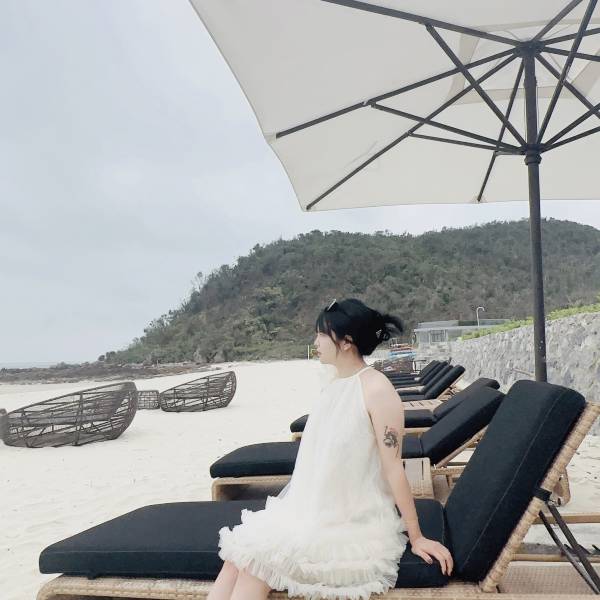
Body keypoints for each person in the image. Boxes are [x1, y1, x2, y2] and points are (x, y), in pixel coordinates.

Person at [208, 298, 453, 600]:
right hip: (315, 508)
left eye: (322, 335)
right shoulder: (336, 383)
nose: (316, 342)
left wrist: (416, 536)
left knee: (254, 566)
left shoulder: (376, 390)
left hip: (354, 519)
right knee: (237, 558)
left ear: (346, 342)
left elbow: (393, 467)